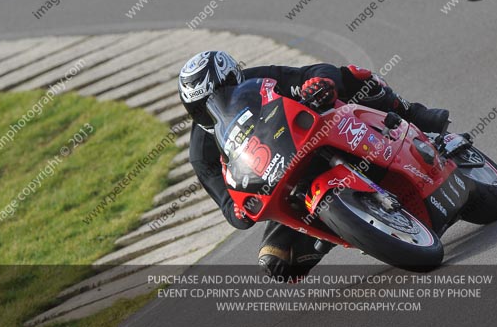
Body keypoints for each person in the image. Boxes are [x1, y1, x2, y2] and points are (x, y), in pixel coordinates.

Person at [178, 50, 450, 277]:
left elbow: (315, 71)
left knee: (353, 76)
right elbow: (229, 206)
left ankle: (414, 115)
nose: (216, 105)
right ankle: (340, 228)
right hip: (288, 184)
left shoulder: (258, 79)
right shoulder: (202, 153)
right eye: (202, 106)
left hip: (319, 132)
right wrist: (240, 210)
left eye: (223, 92)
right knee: (276, 262)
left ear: (235, 78)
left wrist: (320, 83)